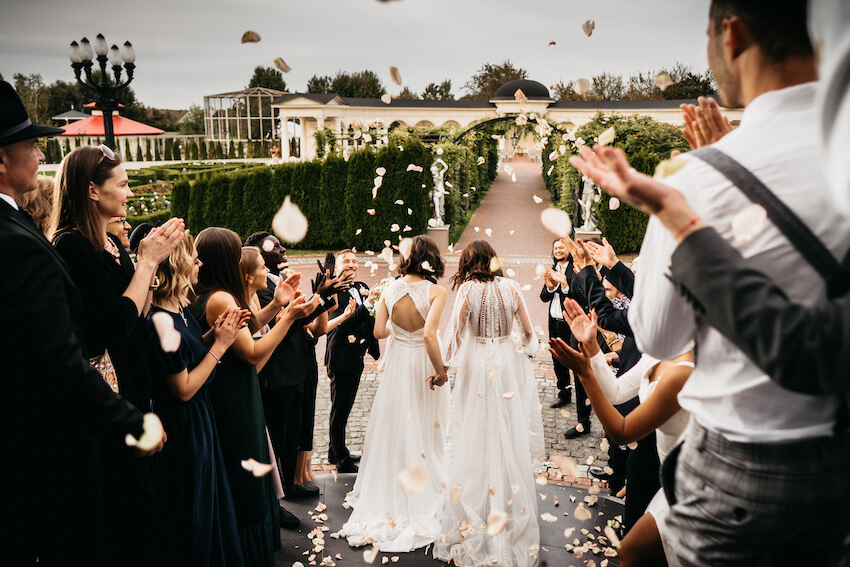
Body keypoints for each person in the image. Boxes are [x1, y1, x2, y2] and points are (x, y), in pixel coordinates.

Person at [571, 2, 850, 564]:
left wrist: (700, 188)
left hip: (741, 473)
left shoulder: (699, 179)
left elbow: (659, 337)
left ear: (732, 33)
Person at [0, 79, 163, 567]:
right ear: (2, 159)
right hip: (46, 440)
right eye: (29, 144)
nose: (38, 154)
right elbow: (58, 353)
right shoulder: (22, 241)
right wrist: (130, 422)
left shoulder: (20, 227)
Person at [48, 144, 184, 567]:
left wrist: (147, 267)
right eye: (122, 184)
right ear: (92, 190)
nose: (129, 192)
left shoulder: (109, 242)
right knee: (124, 517)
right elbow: (113, 326)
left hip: (134, 384)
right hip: (106, 398)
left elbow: (138, 312)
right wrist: (146, 265)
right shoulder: (72, 247)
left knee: (144, 509)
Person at [193, 227, 319, 566]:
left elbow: (243, 333)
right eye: (236, 255)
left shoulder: (214, 293)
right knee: (246, 474)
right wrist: (288, 315)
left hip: (234, 388)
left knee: (251, 470)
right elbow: (250, 351)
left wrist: (276, 305)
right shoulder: (220, 297)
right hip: (232, 395)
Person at [551, 299, 693, 567]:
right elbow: (616, 393)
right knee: (634, 552)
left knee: (635, 553)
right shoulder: (659, 351)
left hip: (691, 487)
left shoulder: (684, 370)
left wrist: (584, 374)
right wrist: (592, 345)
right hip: (670, 478)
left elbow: (622, 431)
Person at [433, 240, 544, 567]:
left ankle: (478, 505)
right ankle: (509, 508)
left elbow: (453, 335)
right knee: (507, 430)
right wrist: (519, 353)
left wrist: (443, 369)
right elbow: (527, 334)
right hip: (505, 364)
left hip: (477, 364)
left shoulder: (467, 290)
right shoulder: (512, 287)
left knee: (474, 430)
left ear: (469, 262)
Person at [340, 235, 450, 552]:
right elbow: (430, 336)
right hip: (425, 364)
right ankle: (422, 483)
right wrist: (441, 371)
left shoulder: (389, 289)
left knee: (398, 419)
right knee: (428, 424)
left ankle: (395, 479)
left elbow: (378, 333)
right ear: (431, 258)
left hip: (400, 360)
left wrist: (397, 331)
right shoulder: (436, 292)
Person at [146, 232, 246, 567]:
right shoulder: (160, 318)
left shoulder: (181, 306)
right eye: (194, 258)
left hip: (200, 418)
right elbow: (184, 386)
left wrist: (214, 334)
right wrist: (220, 347)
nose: (200, 263)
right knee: (193, 506)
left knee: (211, 499)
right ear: (179, 265)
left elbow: (189, 350)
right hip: (182, 423)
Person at [324, 249, 380, 473]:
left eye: (355, 261)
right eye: (346, 261)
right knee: (340, 411)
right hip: (341, 357)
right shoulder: (333, 292)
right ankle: (341, 460)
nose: (351, 265)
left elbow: (368, 318)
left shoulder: (360, 288)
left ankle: (333, 450)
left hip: (356, 356)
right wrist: (368, 305)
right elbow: (342, 325)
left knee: (344, 408)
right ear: (337, 267)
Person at [540, 238, 575, 409]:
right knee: (558, 360)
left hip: (570, 323)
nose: (558, 250)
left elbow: (577, 295)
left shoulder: (575, 269)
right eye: (555, 248)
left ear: (569, 249)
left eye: (561, 247)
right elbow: (543, 297)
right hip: (554, 323)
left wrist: (564, 283)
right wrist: (550, 286)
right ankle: (564, 393)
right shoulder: (552, 269)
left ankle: (586, 396)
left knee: (574, 359)